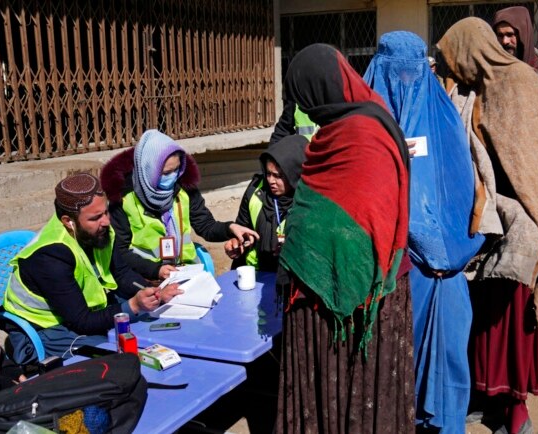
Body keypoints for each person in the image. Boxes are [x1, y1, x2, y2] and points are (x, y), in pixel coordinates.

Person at [438, 17, 538, 434]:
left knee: (516, 325)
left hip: (526, 226)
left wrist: (534, 207)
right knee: (483, 321)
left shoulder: (518, 80)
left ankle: (515, 409)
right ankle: (485, 398)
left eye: (452, 55)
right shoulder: (465, 90)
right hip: (485, 222)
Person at [276, 43, 414, 432]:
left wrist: (309, 246)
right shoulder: (339, 131)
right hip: (340, 288)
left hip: (359, 300)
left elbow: (371, 217)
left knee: (354, 380)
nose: (304, 107)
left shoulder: (363, 134)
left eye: (303, 96)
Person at [364, 31, 485, 432]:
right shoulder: (363, 128)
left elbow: (459, 190)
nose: (405, 81)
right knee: (391, 369)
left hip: (443, 271)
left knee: (446, 360)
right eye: (395, 71)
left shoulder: (445, 120)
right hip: (388, 273)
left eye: (412, 70)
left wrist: (442, 252)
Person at [3, 173, 183, 363]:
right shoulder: (49, 257)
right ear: (67, 221)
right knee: (116, 356)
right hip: (47, 328)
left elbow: (121, 274)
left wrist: (156, 293)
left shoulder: (99, 231)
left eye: (106, 212)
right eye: (96, 217)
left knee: (154, 326)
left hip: (85, 312)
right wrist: (133, 306)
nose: (106, 221)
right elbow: (82, 321)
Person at [101, 129, 258, 281]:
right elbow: (120, 252)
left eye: (177, 170)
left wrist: (229, 228)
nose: (173, 177)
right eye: (166, 173)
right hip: (145, 279)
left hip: (184, 273)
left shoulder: (184, 189)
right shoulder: (123, 199)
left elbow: (205, 225)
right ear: (148, 170)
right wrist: (155, 270)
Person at [224, 134, 307, 272]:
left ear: (294, 174)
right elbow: (242, 227)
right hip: (256, 274)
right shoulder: (256, 190)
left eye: (278, 176)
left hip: (292, 278)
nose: (271, 181)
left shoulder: (307, 200)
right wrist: (236, 243)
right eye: (268, 173)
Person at [493, 6, 538, 72]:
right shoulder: (490, 71)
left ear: (523, 35)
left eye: (510, 34)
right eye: (500, 35)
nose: (505, 41)